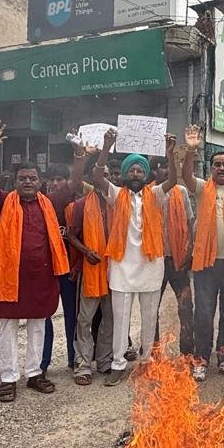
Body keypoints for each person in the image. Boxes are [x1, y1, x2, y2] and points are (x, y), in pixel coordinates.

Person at [0, 121, 70, 402]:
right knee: (8, 328)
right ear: (14, 182)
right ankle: (8, 377)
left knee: (39, 325)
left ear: (40, 182)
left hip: (41, 278)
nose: (27, 182)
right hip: (9, 277)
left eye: (32, 178)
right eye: (22, 178)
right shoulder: (1, 201)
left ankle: (34, 373)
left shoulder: (48, 203)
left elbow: (74, 182)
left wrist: (80, 155)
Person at [91, 128, 173, 386]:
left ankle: (147, 360)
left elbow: (174, 180)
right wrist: (107, 147)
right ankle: (118, 363)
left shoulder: (156, 194)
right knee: (120, 318)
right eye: (131, 170)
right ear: (125, 174)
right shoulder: (117, 194)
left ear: (146, 174)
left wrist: (171, 154)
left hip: (150, 264)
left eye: (140, 170)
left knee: (150, 317)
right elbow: (96, 176)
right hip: (122, 264)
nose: (135, 174)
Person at [181, 125, 224, 380]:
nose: (221, 168)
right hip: (205, 265)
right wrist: (191, 150)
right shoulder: (200, 188)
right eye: (217, 164)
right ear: (210, 169)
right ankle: (202, 360)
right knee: (204, 315)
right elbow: (186, 176)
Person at [65, 149, 114, 385]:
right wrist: (86, 252)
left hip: (114, 271)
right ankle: (83, 365)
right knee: (85, 319)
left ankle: (104, 360)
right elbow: (71, 235)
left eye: (108, 175)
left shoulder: (119, 203)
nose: (104, 178)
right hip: (91, 269)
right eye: (100, 174)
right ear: (94, 178)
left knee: (110, 318)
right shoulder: (82, 204)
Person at [151, 141, 195, 357]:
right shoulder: (148, 193)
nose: (166, 170)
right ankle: (153, 352)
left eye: (168, 166)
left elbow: (190, 223)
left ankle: (187, 351)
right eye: (162, 166)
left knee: (186, 307)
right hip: (155, 260)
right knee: (151, 309)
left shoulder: (183, 192)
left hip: (179, 260)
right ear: (153, 170)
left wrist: (189, 253)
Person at [41, 162, 80, 378]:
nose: (55, 183)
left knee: (71, 315)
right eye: (51, 179)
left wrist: (76, 264)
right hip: (46, 271)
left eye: (60, 179)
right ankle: (42, 362)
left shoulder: (76, 207)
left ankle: (74, 358)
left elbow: (82, 239)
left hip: (69, 271)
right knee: (43, 316)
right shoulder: (40, 204)